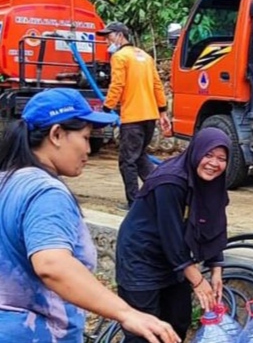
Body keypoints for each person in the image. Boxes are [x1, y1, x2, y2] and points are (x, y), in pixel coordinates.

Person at [0, 88, 179, 343]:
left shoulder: (7, 182)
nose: (88, 150)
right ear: (57, 134)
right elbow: (52, 264)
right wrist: (126, 313)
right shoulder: (46, 192)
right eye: (85, 138)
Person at [115, 127, 231, 343]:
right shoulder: (170, 181)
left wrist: (216, 269)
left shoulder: (212, 183)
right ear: (196, 151)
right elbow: (171, 235)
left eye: (221, 158)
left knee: (177, 321)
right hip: (142, 258)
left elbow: (214, 223)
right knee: (144, 331)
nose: (214, 163)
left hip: (174, 261)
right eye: (208, 155)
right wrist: (197, 281)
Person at [97, 22, 171, 208]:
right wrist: (162, 110)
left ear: (120, 35)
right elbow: (157, 85)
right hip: (149, 118)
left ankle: (135, 202)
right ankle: (160, 192)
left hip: (133, 118)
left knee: (127, 161)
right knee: (139, 157)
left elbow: (117, 85)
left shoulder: (120, 57)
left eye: (109, 36)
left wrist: (107, 107)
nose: (107, 40)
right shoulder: (145, 57)